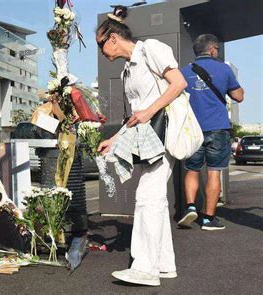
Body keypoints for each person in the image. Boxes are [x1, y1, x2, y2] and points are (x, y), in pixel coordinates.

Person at [95, 6, 187, 286]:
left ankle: (145, 268)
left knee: (147, 197)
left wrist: (149, 111)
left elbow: (178, 83)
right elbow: (135, 114)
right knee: (154, 200)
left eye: (101, 45)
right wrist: (114, 138)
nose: (101, 52)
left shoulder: (152, 49)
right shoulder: (126, 71)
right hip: (146, 138)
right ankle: (164, 264)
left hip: (164, 133)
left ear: (113, 38)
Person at [179, 34, 244, 230]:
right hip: (218, 127)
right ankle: (208, 219)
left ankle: (190, 206)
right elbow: (239, 96)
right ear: (213, 49)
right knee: (214, 173)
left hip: (193, 129)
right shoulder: (224, 69)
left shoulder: (184, 71)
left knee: (192, 169)